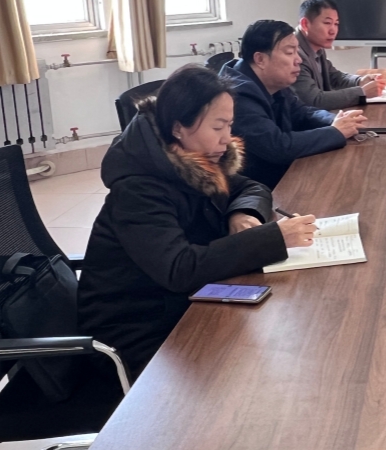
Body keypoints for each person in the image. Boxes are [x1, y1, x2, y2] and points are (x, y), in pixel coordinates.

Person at [78, 65, 320, 375]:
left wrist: (242, 213)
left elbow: (251, 188)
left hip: (182, 302)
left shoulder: (194, 158)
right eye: (218, 127)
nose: (227, 139)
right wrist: (274, 238)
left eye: (229, 125)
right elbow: (179, 269)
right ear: (179, 128)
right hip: (137, 331)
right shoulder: (138, 189)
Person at [219, 20, 366, 189]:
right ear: (260, 59)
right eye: (290, 52)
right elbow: (278, 147)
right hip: (260, 191)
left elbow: (302, 112)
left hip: (283, 176)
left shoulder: (274, 82)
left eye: (297, 51)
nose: (298, 60)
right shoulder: (236, 96)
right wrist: (335, 132)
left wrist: (336, 120)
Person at [294, 0, 386, 110]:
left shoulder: (316, 46)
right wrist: (362, 92)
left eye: (336, 24)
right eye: (327, 23)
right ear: (305, 24)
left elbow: (335, 77)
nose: (333, 31)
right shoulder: (294, 55)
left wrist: (360, 81)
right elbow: (315, 100)